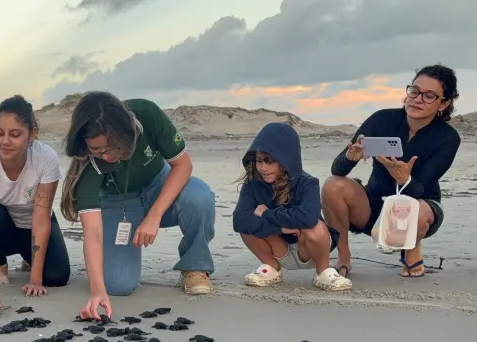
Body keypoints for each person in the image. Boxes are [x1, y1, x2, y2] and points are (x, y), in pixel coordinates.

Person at [60, 91, 216, 320]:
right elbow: (92, 231)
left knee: (199, 197)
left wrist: (154, 216)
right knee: (118, 285)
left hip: (159, 182)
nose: (105, 155)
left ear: (125, 133)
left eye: (110, 147)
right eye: (96, 149)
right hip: (117, 201)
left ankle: (195, 266)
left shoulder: (147, 114)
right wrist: (97, 291)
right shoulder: (88, 165)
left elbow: (183, 166)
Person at [321, 64, 461, 278]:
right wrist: (351, 157)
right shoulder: (381, 119)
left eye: (429, 96)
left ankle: (411, 248)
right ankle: (343, 256)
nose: (417, 99)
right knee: (333, 185)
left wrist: (404, 179)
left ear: (444, 103)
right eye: (414, 91)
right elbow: (337, 168)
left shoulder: (448, 138)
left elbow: (423, 187)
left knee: (419, 209)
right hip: (375, 205)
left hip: (419, 208)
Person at [0, 95, 71, 314]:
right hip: (0, 227)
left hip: (33, 224)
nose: (5, 141)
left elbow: (41, 218)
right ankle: (0, 265)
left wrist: (36, 279)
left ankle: (29, 259)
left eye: (15, 135)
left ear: (32, 135)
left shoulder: (46, 158)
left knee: (57, 277)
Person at [232, 123, 352, 291]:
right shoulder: (253, 184)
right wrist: (282, 227)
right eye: (259, 161)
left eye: (270, 161)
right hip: (277, 245)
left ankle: (323, 271)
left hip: (309, 248)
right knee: (247, 227)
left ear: (285, 160)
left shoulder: (308, 183)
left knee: (315, 228)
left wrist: (266, 213)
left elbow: (308, 218)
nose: (263, 168)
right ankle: (271, 268)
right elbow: (239, 221)